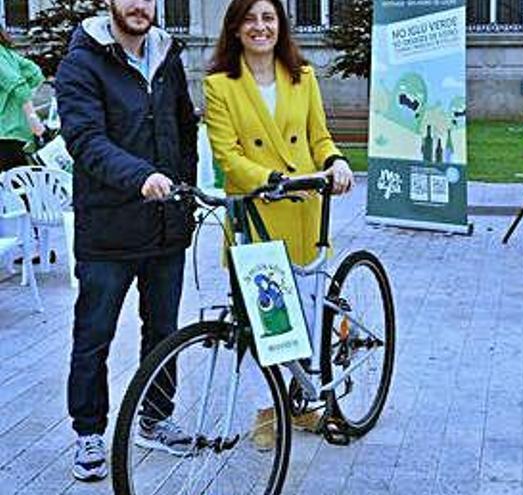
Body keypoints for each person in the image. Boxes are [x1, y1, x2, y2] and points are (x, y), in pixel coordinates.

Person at [54, 0, 199, 482]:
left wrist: (184, 194)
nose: (140, 5)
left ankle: (155, 419)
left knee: (163, 330)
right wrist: (142, 176)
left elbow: (184, 130)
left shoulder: (167, 55)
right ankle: (89, 432)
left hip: (165, 227)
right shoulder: (82, 61)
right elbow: (85, 140)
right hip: (108, 231)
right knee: (94, 335)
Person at [203, 0, 353, 444]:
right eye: (250, 18)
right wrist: (269, 179)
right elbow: (227, 154)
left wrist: (336, 161)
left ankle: (305, 406)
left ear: (280, 25)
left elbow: (318, 136)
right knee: (261, 322)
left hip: (304, 208)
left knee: (306, 316)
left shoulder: (302, 77)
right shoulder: (218, 85)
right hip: (256, 212)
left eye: (268, 17)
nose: (260, 26)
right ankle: (266, 411)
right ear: (235, 28)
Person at [0, 25, 45, 171]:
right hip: (15, 131)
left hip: (5, 133)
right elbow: (35, 74)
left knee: (15, 188)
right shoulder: (6, 53)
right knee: (22, 185)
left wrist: (33, 119)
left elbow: (17, 86)